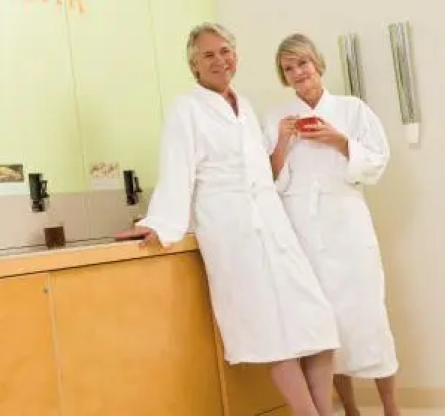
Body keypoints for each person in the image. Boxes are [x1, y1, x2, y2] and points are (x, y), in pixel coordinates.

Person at [117, 23, 339, 416]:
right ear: (194, 65)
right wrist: (161, 222)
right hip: (231, 229)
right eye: (208, 55)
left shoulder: (245, 107)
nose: (219, 60)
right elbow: (177, 169)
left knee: (318, 325)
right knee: (272, 335)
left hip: (272, 224)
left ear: (235, 55)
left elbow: (260, 169)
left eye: (225, 51)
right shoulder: (186, 108)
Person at [264, 33, 399, 416]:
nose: (298, 72)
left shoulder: (353, 110)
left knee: (369, 316)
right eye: (289, 68)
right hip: (303, 232)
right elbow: (267, 177)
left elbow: (377, 161)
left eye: (303, 63)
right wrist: (282, 142)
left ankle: (391, 408)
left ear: (317, 63)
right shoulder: (276, 117)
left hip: (347, 224)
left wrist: (340, 141)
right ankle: (350, 409)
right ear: (284, 76)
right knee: (325, 326)